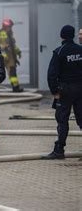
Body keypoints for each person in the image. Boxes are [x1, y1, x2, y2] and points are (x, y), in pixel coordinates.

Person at [43, 25, 82, 160]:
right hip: (80, 90)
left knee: (62, 120)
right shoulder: (80, 50)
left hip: (65, 91)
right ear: (74, 35)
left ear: (62, 36)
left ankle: (59, 150)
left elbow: (51, 75)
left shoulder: (59, 52)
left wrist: (55, 92)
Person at [0, 19, 23, 92]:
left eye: (10, 27)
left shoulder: (10, 34)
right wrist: (4, 47)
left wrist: (18, 51)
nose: (10, 28)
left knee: (12, 72)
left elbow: (13, 46)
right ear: (5, 26)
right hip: (2, 56)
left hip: (10, 56)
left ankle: (15, 87)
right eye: (9, 27)